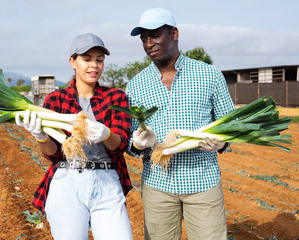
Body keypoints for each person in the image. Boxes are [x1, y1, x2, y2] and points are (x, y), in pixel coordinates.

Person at [125, 7, 236, 240]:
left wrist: (222, 143)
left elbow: (231, 127)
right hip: (157, 185)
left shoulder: (209, 75)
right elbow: (130, 144)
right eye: (144, 38)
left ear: (174, 34)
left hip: (203, 182)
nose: (148, 44)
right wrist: (136, 144)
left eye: (154, 35)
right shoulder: (135, 85)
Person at [15, 33, 133, 240]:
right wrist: (41, 136)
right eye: (87, 59)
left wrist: (106, 134)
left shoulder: (116, 97)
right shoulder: (55, 100)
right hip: (67, 180)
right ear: (73, 61)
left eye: (99, 59)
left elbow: (120, 145)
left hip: (107, 181)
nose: (94, 65)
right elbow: (53, 155)